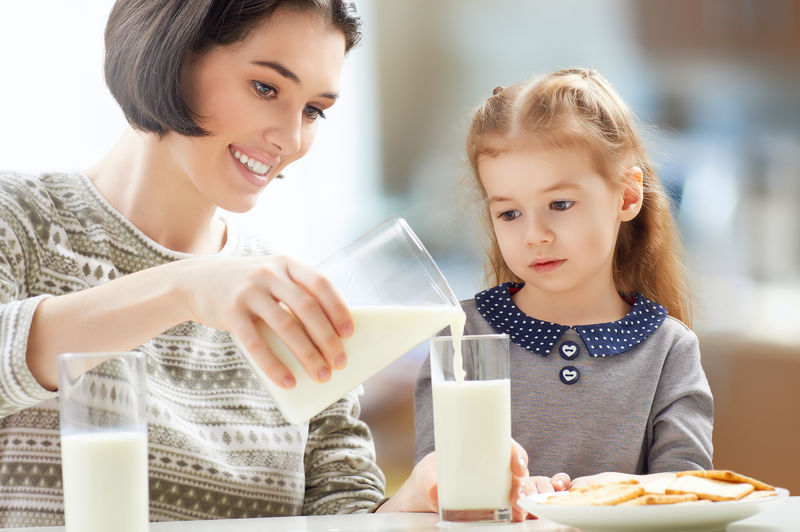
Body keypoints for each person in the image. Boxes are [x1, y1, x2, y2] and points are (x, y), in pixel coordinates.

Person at [0, 0, 535, 526]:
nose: (292, 138)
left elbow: (339, 511)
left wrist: (411, 502)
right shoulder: (19, 223)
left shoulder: (286, 296)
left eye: (313, 110)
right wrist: (184, 288)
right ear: (170, 55)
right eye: (265, 88)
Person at [414, 68, 714, 498]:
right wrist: (500, 489)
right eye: (510, 213)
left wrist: (619, 490)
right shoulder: (461, 335)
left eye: (559, 204)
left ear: (628, 196)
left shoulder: (670, 350)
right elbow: (435, 480)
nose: (534, 234)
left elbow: (690, 491)